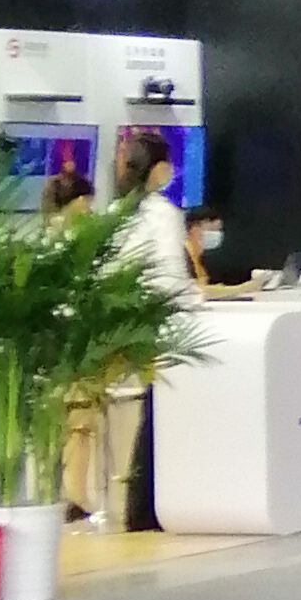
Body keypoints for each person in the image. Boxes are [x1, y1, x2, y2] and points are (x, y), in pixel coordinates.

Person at [110, 132, 198, 527]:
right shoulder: (162, 214)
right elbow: (168, 276)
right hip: (160, 329)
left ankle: (139, 507)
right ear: (159, 169)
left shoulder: (117, 212)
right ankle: (148, 507)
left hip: (124, 330)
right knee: (160, 417)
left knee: (150, 414)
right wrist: (195, 304)